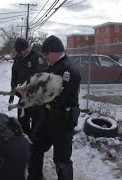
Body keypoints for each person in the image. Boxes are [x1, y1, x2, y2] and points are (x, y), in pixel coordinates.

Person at [27, 35, 81, 180]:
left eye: (46, 54)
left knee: (61, 160)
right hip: (48, 117)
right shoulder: (53, 66)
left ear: (55, 51)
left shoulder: (69, 70)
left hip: (63, 121)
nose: (44, 57)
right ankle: (34, 176)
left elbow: (57, 98)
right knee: (36, 147)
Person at [10, 37, 47, 139]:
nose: (18, 54)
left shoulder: (37, 58)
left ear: (25, 49)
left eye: (19, 51)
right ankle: (25, 145)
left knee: (36, 127)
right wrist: (13, 90)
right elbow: (15, 75)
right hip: (22, 97)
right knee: (22, 124)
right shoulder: (19, 58)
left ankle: (34, 146)